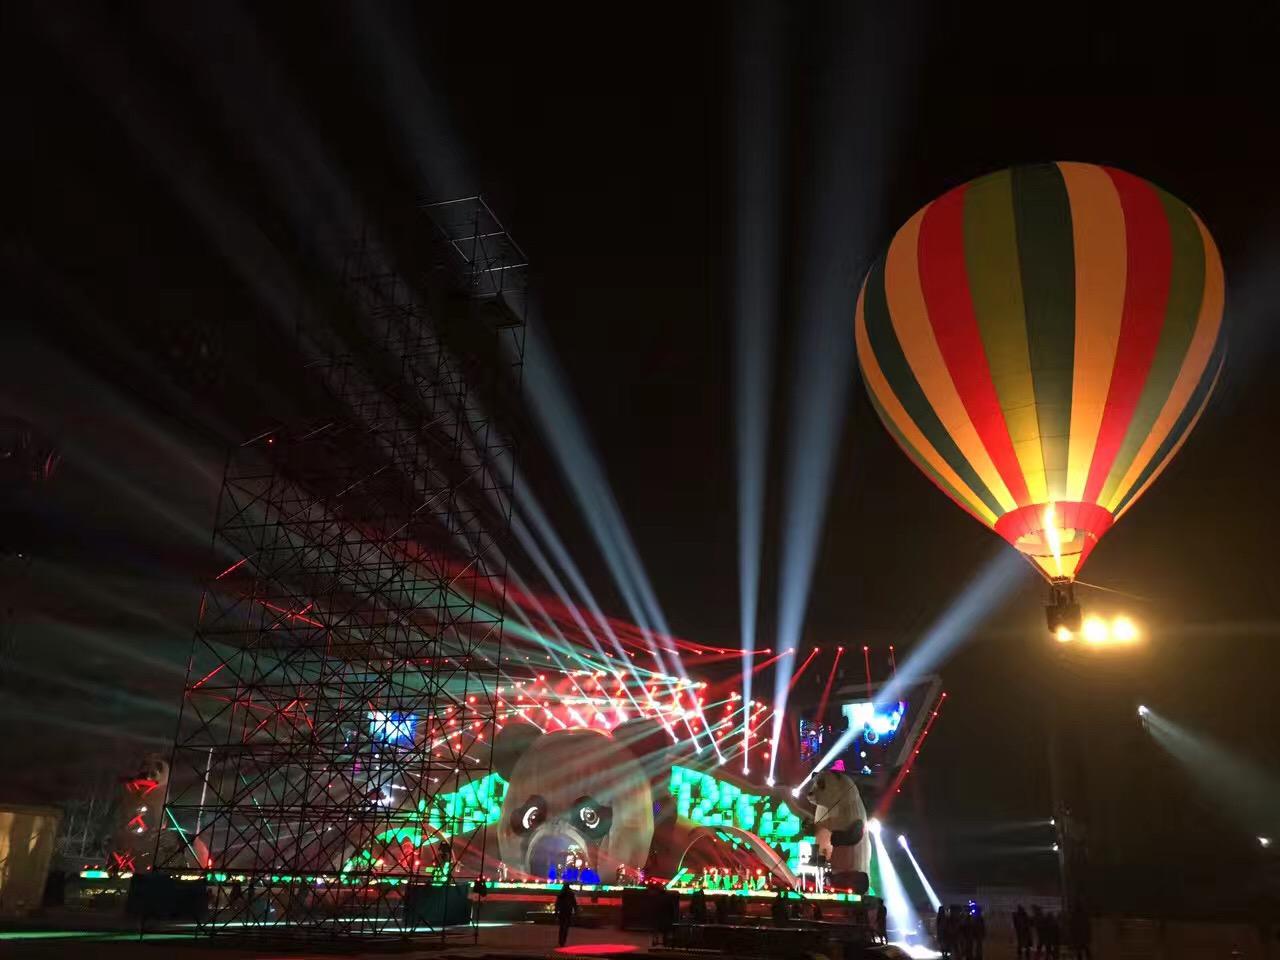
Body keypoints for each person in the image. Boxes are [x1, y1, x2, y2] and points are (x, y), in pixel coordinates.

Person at [555, 883, 577, 947]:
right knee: (566, 927)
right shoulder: (571, 893)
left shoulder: (561, 893)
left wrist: (556, 912)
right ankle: (563, 941)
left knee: (561, 927)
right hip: (568, 912)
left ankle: (560, 941)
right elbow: (574, 903)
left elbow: (557, 904)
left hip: (562, 912)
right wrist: (576, 912)